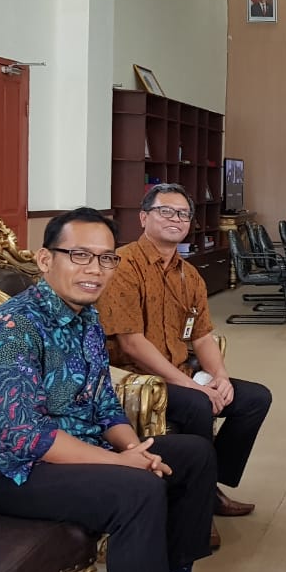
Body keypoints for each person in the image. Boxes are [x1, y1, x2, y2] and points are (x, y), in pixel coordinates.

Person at [0, 208, 252, 572]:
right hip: (7, 472)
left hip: (70, 448)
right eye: (80, 255)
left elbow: (103, 402)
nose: (95, 269)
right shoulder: (11, 330)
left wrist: (135, 447)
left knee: (194, 455)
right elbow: (27, 438)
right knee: (135, 489)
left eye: (107, 258)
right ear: (45, 260)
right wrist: (121, 463)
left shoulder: (86, 318)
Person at [97, 184, 273, 548]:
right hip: (134, 379)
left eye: (183, 214)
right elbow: (131, 342)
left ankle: (210, 487)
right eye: (165, 211)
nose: (175, 219)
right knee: (196, 403)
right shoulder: (124, 266)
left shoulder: (188, 274)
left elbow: (202, 335)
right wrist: (192, 386)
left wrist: (220, 378)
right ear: (143, 218)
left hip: (180, 373)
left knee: (254, 398)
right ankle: (197, 508)